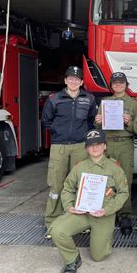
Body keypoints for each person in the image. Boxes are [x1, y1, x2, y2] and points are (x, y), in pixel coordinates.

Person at [50, 129, 129, 273]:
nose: (94, 148)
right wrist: (69, 206)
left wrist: (107, 210)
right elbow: (67, 189)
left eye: (98, 144)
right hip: (82, 213)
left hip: (103, 215)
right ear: (86, 148)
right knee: (56, 230)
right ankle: (72, 259)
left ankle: (104, 236)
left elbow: (123, 193)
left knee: (99, 256)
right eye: (90, 145)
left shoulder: (114, 168)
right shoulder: (79, 167)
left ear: (105, 146)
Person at [41, 66, 97, 235]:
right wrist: (59, 133)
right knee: (56, 184)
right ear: (65, 80)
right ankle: (52, 222)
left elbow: (91, 121)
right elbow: (46, 121)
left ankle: (80, 222)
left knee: (80, 185)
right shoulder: (54, 99)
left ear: (81, 82)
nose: (74, 81)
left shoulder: (89, 98)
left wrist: (83, 135)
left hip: (80, 146)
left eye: (77, 79)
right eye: (70, 78)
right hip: (59, 146)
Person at [94, 72, 137, 235]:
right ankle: (107, 211)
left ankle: (125, 215)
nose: (118, 85)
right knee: (105, 179)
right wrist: (97, 122)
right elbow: (98, 126)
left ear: (126, 85)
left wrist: (129, 122)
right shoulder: (105, 102)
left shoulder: (133, 104)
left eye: (121, 83)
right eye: (115, 83)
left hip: (125, 144)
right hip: (108, 144)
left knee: (124, 180)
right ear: (111, 85)